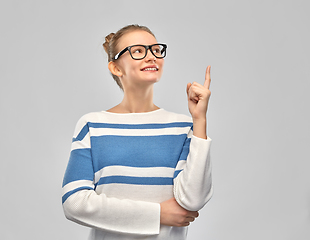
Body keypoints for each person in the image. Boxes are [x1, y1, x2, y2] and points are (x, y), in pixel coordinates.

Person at [62, 24, 212, 240]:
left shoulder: (183, 128)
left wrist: (199, 120)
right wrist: (158, 214)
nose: (151, 57)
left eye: (156, 50)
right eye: (139, 51)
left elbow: (193, 200)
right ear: (116, 68)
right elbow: (74, 202)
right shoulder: (92, 125)